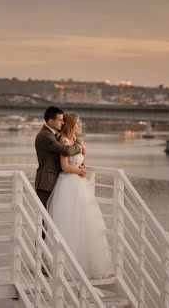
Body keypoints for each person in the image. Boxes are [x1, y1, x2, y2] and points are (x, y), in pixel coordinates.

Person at [47, 112, 114, 279]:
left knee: (85, 222)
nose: (79, 126)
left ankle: (86, 265)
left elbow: (82, 162)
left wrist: (83, 149)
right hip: (68, 184)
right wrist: (80, 171)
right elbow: (65, 167)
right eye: (77, 124)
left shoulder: (75, 141)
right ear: (71, 125)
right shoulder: (63, 141)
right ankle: (67, 265)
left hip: (79, 185)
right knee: (70, 223)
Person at [34, 106, 84, 208]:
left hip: (54, 180)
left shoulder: (54, 135)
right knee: (46, 216)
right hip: (47, 182)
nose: (63, 123)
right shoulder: (46, 136)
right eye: (60, 120)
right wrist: (79, 146)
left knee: (53, 215)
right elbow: (65, 150)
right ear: (51, 121)